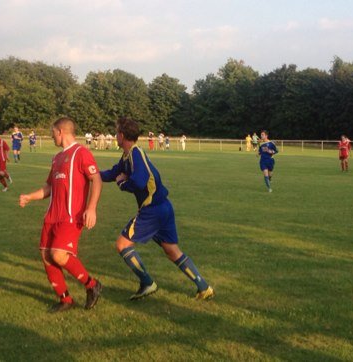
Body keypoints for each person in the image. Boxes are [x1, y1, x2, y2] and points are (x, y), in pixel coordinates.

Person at [101, 117, 214, 301]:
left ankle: (147, 283)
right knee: (172, 250)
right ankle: (204, 287)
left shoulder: (136, 154)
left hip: (152, 210)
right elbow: (113, 173)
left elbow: (138, 181)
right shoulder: (128, 155)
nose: (115, 136)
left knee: (122, 244)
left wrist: (122, 183)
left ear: (121, 135)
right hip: (164, 207)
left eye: (116, 132)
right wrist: (91, 175)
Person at [19, 117, 103, 313]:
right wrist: (30, 197)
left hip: (71, 216)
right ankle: (65, 299)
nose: (51, 136)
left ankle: (92, 285)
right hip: (52, 216)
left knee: (58, 254)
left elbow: (96, 180)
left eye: (52, 133)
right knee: (47, 255)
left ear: (60, 131)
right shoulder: (56, 158)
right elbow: (49, 187)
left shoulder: (81, 153)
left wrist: (91, 208)